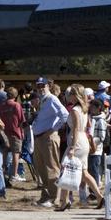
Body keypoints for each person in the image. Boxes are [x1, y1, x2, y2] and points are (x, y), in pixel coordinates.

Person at [29, 77, 68, 208]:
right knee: (41, 169)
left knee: (52, 168)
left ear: (48, 86)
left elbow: (64, 114)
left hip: (48, 138)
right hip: (40, 138)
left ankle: (54, 198)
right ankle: (46, 195)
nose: (40, 88)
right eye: (38, 86)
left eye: (43, 85)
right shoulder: (43, 100)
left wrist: (53, 130)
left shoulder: (51, 99)